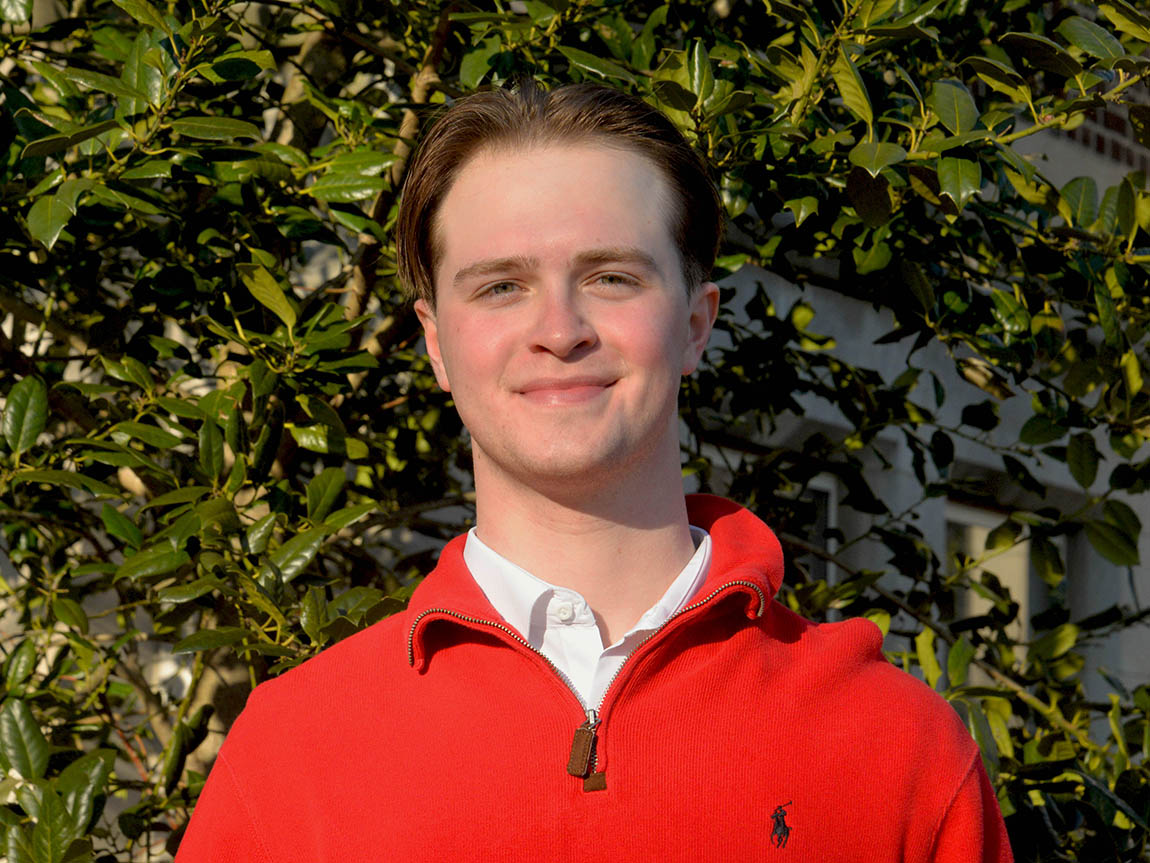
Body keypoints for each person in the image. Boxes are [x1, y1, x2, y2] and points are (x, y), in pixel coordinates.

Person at [176, 81, 1013, 861]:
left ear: (694, 323)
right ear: (435, 342)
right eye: (501, 286)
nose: (559, 328)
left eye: (610, 277)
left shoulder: (899, 747)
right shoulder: (292, 752)